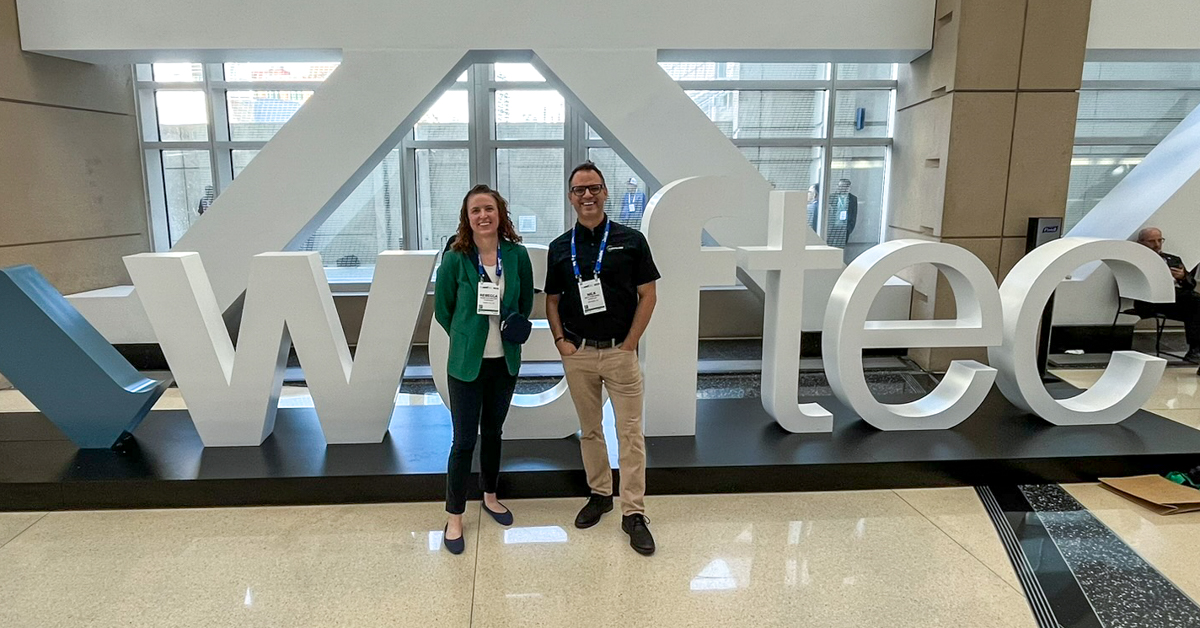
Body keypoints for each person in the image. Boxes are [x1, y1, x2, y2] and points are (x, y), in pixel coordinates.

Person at [545, 162, 660, 556]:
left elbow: (649, 295)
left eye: (593, 188)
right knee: (590, 429)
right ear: (571, 197)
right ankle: (600, 494)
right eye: (579, 190)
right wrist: (561, 340)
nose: (587, 195)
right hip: (578, 353)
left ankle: (633, 512)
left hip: (619, 352)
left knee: (630, 433)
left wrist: (629, 343)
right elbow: (552, 300)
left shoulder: (631, 240)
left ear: (605, 192)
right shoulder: (561, 247)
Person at [433, 184, 534, 554]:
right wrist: (466, 337)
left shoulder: (517, 254)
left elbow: (524, 302)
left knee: (493, 432)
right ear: (467, 218)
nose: (483, 216)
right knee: (463, 441)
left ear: (500, 213)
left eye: (489, 209)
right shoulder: (456, 258)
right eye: (475, 210)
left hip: (504, 362)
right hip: (466, 364)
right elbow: (443, 309)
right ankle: (455, 515)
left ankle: (490, 495)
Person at [1134, 227, 1200, 363]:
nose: (1157, 245)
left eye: (1159, 240)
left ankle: (1195, 349)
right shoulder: (1137, 261)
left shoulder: (1173, 259)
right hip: (1153, 300)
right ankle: (1195, 350)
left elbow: (1190, 284)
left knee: (1195, 308)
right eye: (1151, 241)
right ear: (1141, 243)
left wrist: (1183, 277)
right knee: (1195, 302)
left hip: (1180, 300)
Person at [826, 178, 858, 249]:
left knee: (841, 247)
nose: (840, 188)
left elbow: (854, 214)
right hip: (833, 226)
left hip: (844, 227)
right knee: (830, 245)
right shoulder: (831, 197)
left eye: (842, 186)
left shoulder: (853, 199)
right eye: (839, 186)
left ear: (848, 187)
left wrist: (849, 228)